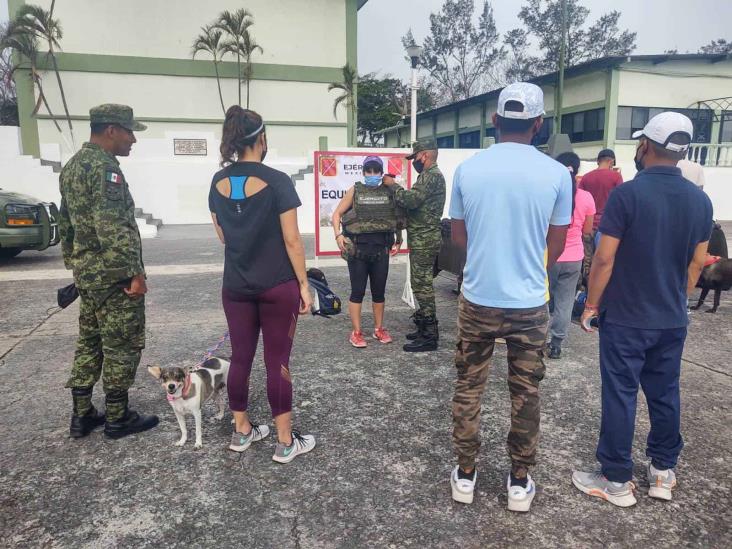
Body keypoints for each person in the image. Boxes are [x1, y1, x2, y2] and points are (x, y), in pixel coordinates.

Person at [573, 112, 712, 507]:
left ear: (646, 146)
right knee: (665, 393)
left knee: (621, 393)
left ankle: (616, 479)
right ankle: (663, 472)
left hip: (626, 317)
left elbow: (604, 259)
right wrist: (678, 298)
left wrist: (592, 305)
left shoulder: (628, 195)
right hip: (671, 317)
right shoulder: (700, 200)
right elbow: (697, 263)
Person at [448, 83, 572, 511]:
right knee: (526, 392)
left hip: (479, 297)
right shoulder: (558, 174)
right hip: (529, 302)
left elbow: (460, 236)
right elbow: (556, 244)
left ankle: (465, 475)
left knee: (469, 386)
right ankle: (519, 481)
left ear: (495, 121)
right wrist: (529, 269)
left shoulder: (468, 169)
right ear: (539, 125)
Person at [209, 106, 315, 463]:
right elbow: (292, 241)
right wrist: (304, 284)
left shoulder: (217, 183)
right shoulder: (278, 181)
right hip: (277, 285)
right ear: (262, 139)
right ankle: (284, 442)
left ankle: (242, 432)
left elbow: (223, 235)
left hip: (236, 286)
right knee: (277, 362)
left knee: (240, 358)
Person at [59, 104, 159, 439]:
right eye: (130, 132)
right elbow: (113, 227)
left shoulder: (72, 167)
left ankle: (82, 414)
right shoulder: (105, 170)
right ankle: (118, 418)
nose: (133, 139)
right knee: (121, 344)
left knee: (89, 343)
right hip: (114, 278)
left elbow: (66, 225)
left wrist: (75, 266)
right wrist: (132, 274)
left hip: (88, 276)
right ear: (112, 130)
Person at [332, 156, 403, 348]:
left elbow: (396, 217)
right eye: (369, 171)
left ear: (381, 173)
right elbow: (336, 214)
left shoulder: (388, 192)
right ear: (363, 172)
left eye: (376, 171)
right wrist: (338, 235)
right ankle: (356, 332)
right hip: (358, 252)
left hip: (381, 251)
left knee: (379, 293)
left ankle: (379, 329)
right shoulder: (355, 190)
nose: (372, 174)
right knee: (357, 292)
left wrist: (399, 240)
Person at [382, 138, 446, 352]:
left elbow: (411, 200)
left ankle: (430, 335)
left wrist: (394, 186)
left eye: (415, 157)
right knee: (419, 283)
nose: (414, 161)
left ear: (424, 155)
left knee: (422, 285)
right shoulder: (427, 176)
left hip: (426, 239)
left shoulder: (432, 176)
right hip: (422, 237)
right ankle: (423, 325)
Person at [547, 152, 596, 359]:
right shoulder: (586, 197)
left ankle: (536, 338)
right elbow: (587, 230)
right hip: (574, 257)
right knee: (565, 302)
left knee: (542, 300)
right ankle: (556, 343)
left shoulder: (549, 193)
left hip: (549, 255)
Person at [579, 148, 622, 248]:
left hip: (587, 225)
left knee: (587, 261)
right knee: (601, 259)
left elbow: (579, 199)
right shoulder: (616, 177)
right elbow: (620, 201)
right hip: (607, 226)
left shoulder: (586, 177)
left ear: (598, 161)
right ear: (611, 162)